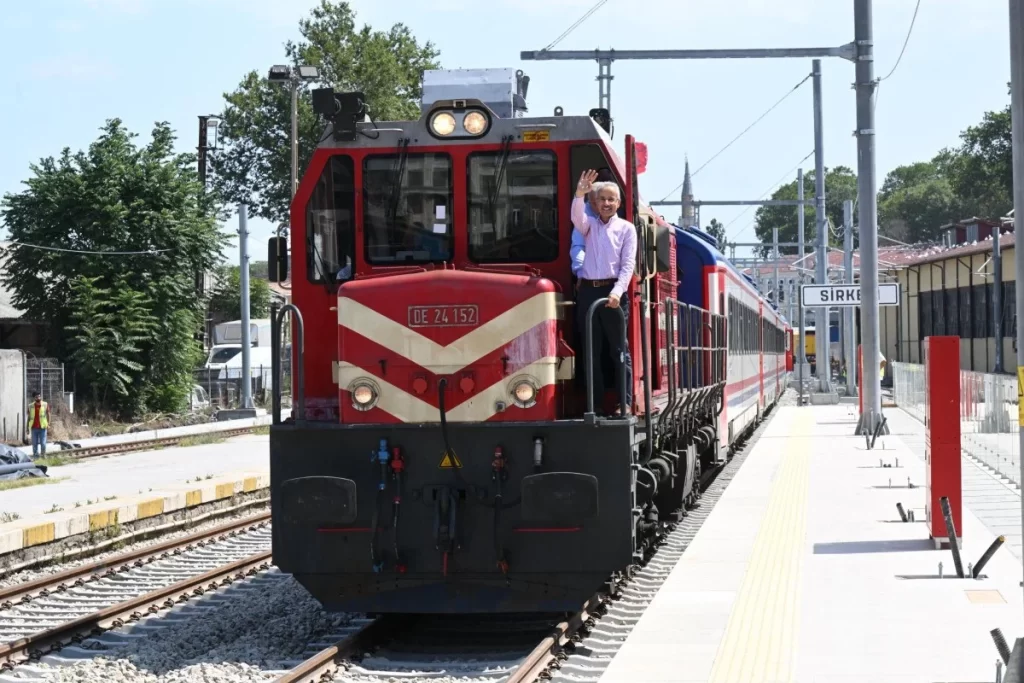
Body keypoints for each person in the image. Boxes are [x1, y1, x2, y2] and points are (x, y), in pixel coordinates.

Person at [571, 169, 637, 416]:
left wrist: (618, 292)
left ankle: (625, 402)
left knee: (620, 350)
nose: (607, 203)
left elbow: (627, 265)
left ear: (618, 203)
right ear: (596, 204)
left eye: (611, 200)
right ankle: (594, 404)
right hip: (589, 291)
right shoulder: (589, 227)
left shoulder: (627, 229)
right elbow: (577, 218)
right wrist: (580, 193)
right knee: (592, 350)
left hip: (613, 292)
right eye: (602, 200)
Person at [27, 392, 48, 457]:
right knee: (34, 443)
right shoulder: (30, 406)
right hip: (34, 428)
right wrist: (27, 427)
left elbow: (48, 414)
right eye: (37, 397)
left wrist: (48, 424)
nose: (38, 398)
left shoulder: (45, 404)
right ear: (34, 398)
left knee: (43, 443)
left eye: (39, 396)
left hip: (43, 427)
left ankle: (43, 455)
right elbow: (29, 417)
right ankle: (36, 456)